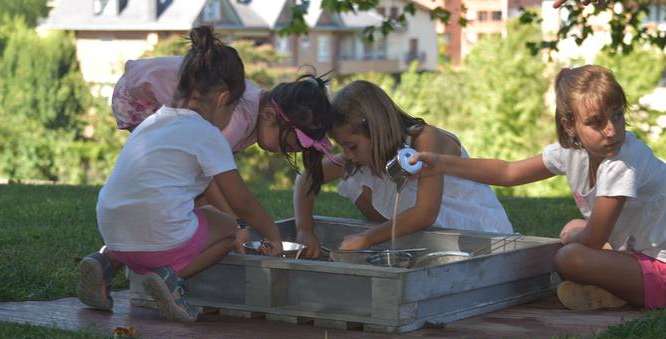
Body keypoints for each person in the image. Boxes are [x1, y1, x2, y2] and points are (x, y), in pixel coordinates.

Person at [410, 65, 666, 311]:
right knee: (575, 232)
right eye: (596, 122)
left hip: (660, 264)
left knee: (569, 256)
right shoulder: (573, 154)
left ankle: (619, 291)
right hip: (641, 253)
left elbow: (594, 239)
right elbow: (508, 172)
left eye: (618, 115)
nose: (611, 130)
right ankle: (614, 292)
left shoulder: (623, 162)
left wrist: (573, 238)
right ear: (569, 125)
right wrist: (442, 163)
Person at [77, 26, 283, 322]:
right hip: (157, 242)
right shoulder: (207, 134)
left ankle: (106, 263)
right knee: (228, 229)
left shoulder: (153, 122)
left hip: (112, 231)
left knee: (164, 217)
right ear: (224, 97)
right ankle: (169, 279)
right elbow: (242, 204)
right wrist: (273, 234)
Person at [112, 56, 335, 252]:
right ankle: (152, 245)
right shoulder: (237, 119)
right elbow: (213, 179)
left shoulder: (254, 113)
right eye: (290, 144)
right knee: (171, 184)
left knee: (183, 191)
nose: (287, 152)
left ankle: (130, 248)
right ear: (269, 116)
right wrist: (235, 223)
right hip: (140, 97)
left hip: (144, 89)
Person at [293, 80, 513, 258]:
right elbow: (307, 179)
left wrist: (367, 238)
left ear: (377, 131)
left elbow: (425, 213)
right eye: (342, 147)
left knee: (362, 180)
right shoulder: (360, 154)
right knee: (358, 178)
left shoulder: (424, 140)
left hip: (478, 234)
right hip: (429, 240)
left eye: (351, 146)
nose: (347, 154)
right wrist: (305, 229)